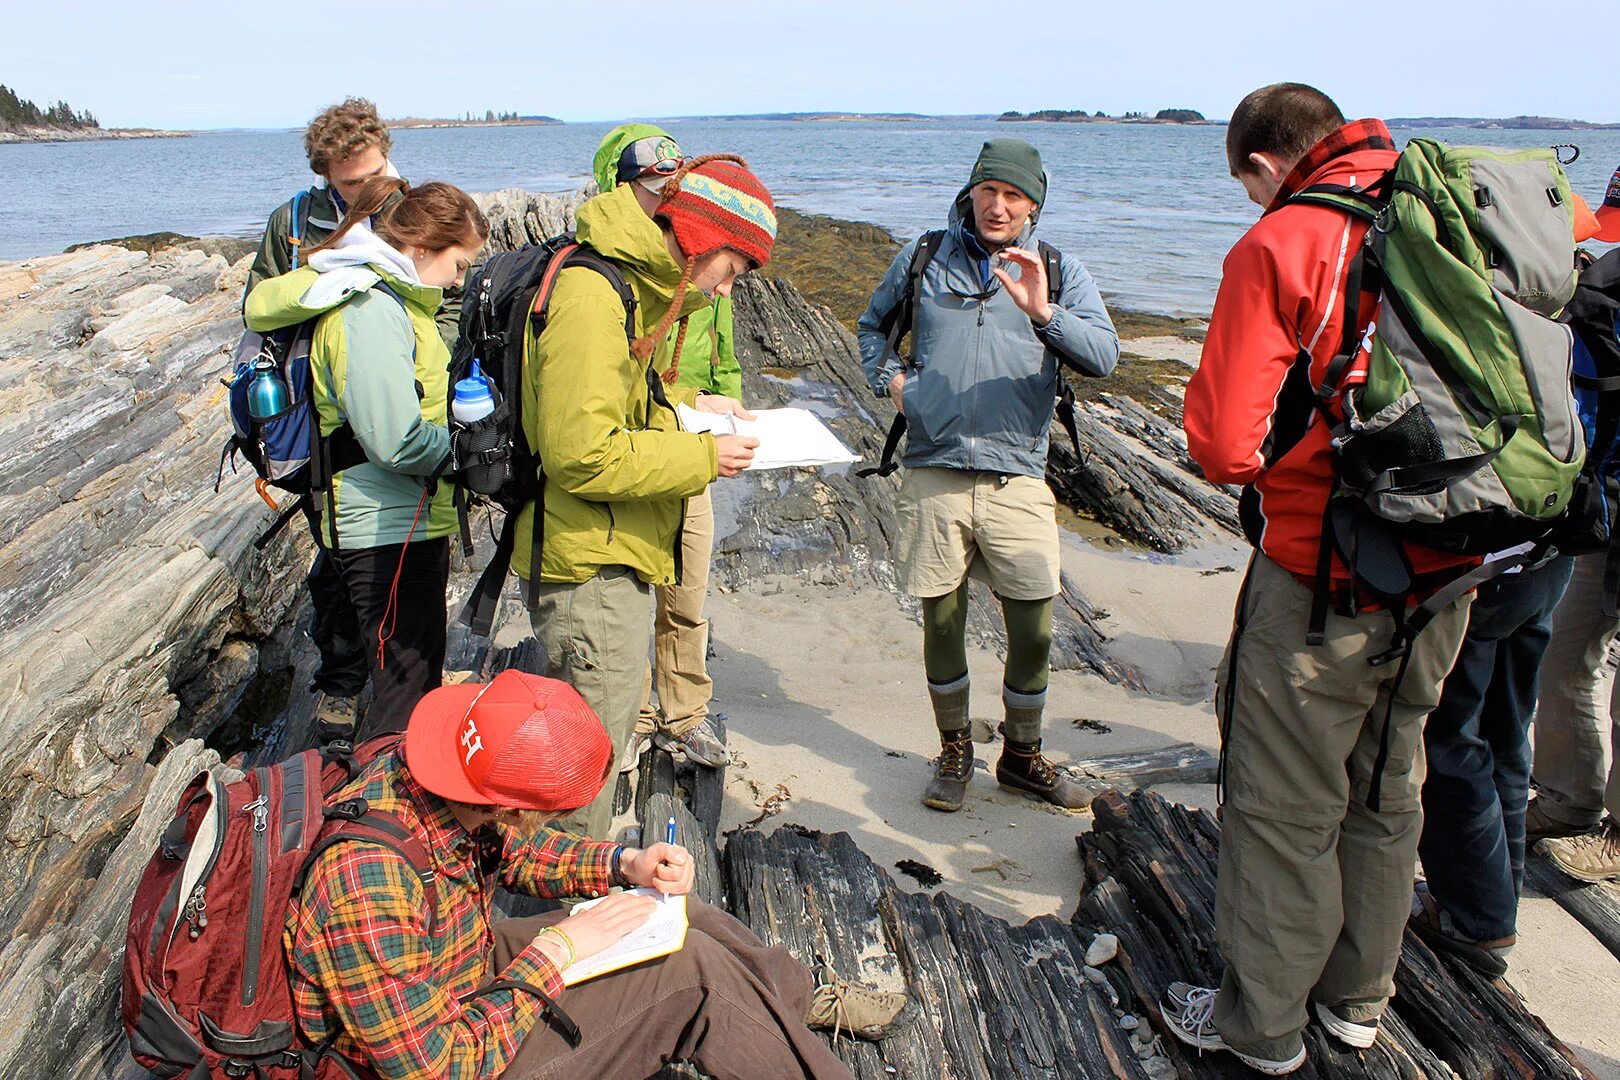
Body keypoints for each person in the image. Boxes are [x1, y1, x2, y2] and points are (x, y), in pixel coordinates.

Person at [1162, 84, 1474, 1074]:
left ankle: (1261, 1028)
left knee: (1282, 800)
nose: (1249, 204)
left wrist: (1280, 469)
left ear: (1263, 167)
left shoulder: (1287, 238)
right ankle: (1357, 1002)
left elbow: (1221, 443)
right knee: (1386, 783)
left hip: (1324, 570)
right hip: (1456, 563)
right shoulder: (1446, 207)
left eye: (1244, 187)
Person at [287, 667, 914, 1078]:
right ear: (500, 802)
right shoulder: (367, 881)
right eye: (539, 812)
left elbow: (517, 852)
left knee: (668, 908)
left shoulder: (441, 768)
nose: (543, 822)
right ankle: (768, 1031)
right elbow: (434, 1068)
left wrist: (626, 863)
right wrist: (556, 955)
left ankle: (788, 1003)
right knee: (692, 973)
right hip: (442, 1050)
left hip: (456, 969)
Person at [856, 138, 1119, 813]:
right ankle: (953, 752)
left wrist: (1042, 313)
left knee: (1033, 622)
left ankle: (1023, 756)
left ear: (1034, 203)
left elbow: (1105, 357)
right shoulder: (922, 257)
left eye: (1014, 195)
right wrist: (893, 382)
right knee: (942, 621)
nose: (999, 206)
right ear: (970, 192)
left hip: (1017, 476)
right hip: (933, 469)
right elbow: (870, 327)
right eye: (988, 191)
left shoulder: (1057, 270)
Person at [515, 155, 773, 841]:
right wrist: (703, 455)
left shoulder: (620, 285)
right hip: (587, 560)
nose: (724, 294)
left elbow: (616, 401)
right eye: (734, 271)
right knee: (586, 760)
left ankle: (571, 897)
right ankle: (566, 915)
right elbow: (582, 451)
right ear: (700, 234)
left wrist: (689, 402)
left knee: (594, 745)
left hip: (603, 544)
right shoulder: (595, 296)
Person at [245, 97, 461, 743]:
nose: (372, 190)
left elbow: (443, 305)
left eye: (378, 173)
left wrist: (426, 360)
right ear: (324, 177)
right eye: (352, 182)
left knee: (389, 560)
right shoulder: (294, 223)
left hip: (397, 398)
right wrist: (336, 291)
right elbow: (259, 307)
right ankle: (342, 686)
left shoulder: (409, 206)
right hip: (321, 416)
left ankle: (396, 675)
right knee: (340, 558)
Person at [592, 124, 734, 772]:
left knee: (687, 599)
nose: (660, 204)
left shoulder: (704, 269)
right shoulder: (607, 278)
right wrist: (679, 407)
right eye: (648, 190)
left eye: (669, 191)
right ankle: (632, 716)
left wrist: (728, 405)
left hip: (691, 457)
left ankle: (684, 715)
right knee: (623, 602)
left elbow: (724, 364)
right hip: (630, 456)